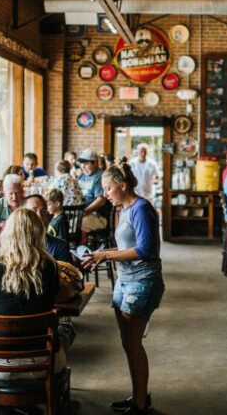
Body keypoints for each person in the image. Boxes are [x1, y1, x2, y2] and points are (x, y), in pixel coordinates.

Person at [82, 163, 164, 415]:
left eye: (108, 188)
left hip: (142, 281)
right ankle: (139, 396)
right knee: (128, 343)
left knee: (133, 343)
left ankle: (140, 403)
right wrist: (103, 253)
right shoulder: (124, 209)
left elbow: (145, 250)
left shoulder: (141, 209)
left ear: (123, 186)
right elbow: (126, 247)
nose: (105, 193)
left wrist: (106, 257)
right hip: (125, 280)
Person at [0, 207, 66, 380]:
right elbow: (56, 299)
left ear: (7, 233)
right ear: (39, 234)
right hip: (43, 363)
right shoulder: (51, 267)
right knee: (66, 330)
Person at [23, 194, 72, 264]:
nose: (39, 216)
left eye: (43, 211)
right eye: (33, 211)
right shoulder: (12, 245)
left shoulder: (60, 247)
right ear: (22, 216)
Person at [77, 148, 111, 233]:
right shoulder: (81, 176)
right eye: (82, 163)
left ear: (95, 163)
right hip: (80, 213)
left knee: (72, 224)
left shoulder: (100, 177)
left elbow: (101, 201)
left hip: (97, 215)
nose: (83, 166)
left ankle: (80, 245)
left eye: (86, 163)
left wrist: (84, 212)